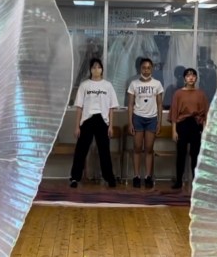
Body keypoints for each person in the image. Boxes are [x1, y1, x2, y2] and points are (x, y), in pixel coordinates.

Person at [69, 58, 118, 188]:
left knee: (104, 151)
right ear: (90, 70)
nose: (96, 70)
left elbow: (111, 108)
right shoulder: (84, 85)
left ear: (102, 69)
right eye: (94, 67)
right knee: (81, 150)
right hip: (87, 120)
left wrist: (111, 126)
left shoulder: (108, 86)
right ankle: (75, 178)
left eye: (99, 67)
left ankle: (109, 177)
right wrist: (77, 126)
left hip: (102, 120)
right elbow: (79, 107)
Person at [169, 67, 209, 190]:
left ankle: (195, 180)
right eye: (188, 76)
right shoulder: (178, 94)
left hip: (195, 124)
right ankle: (179, 181)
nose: (191, 78)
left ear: (196, 78)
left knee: (195, 154)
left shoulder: (201, 94)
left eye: (193, 75)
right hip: (182, 124)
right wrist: (174, 131)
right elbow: (174, 113)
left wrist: (205, 130)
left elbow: (205, 114)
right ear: (184, 79)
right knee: (181, 154)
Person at [127, 57, 164, 188]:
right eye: (144, 68)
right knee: (137, 148)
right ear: (140, 69)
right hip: (138, 118)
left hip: (152, 119)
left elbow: (160, 104)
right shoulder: (134, 84)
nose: (146, 70)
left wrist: (159, 122)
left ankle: (148, 176)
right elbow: (130, 104)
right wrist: (130, 122)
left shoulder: (157, 84)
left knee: (149, 149)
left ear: (152, 69)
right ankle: (136, 176)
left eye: (149, 68)